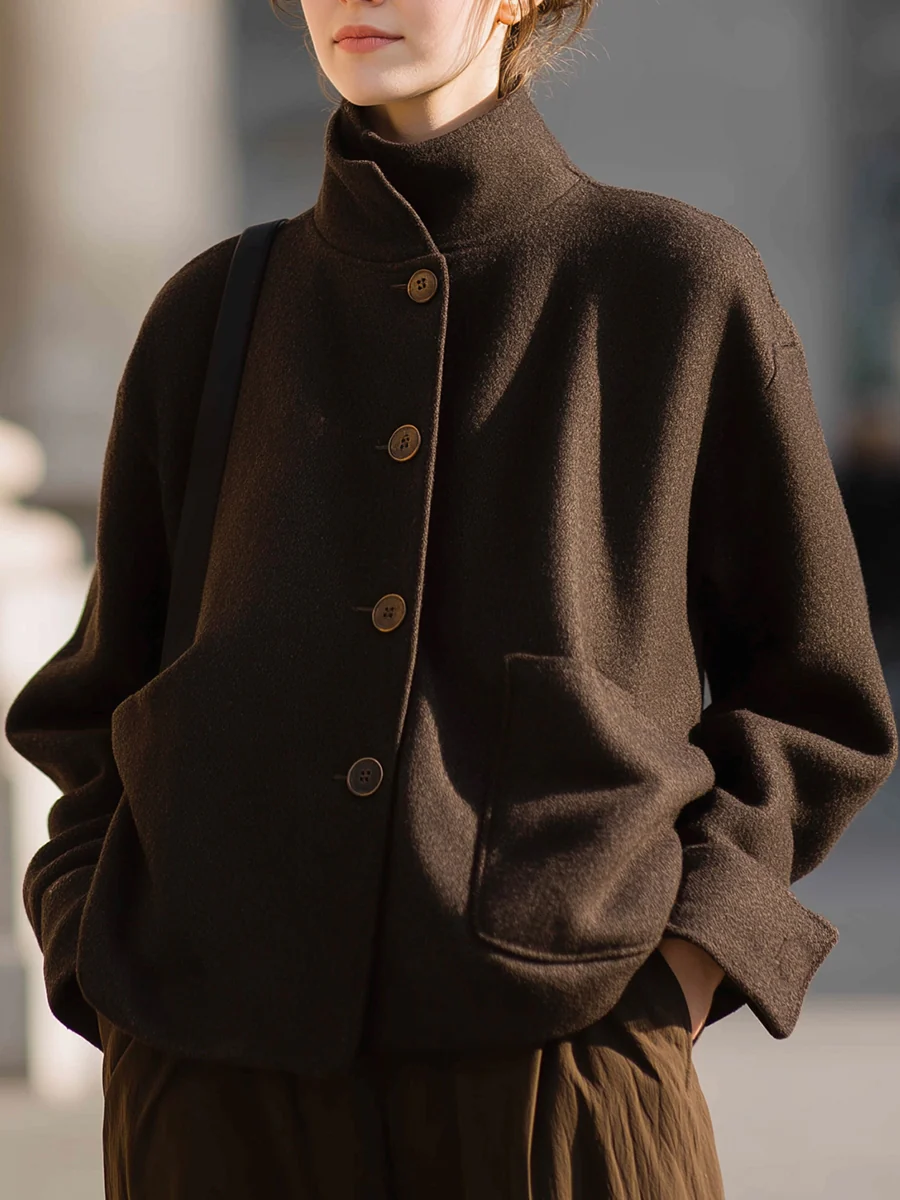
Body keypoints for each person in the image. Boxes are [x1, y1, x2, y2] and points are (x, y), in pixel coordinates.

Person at [5, 1, 898, 1197]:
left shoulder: (673, 288)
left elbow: (816, 702)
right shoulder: (208, 315)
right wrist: (102, 965)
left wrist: (677, 978)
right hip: (212, 1100)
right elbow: (88, 707)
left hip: (561, 1093)